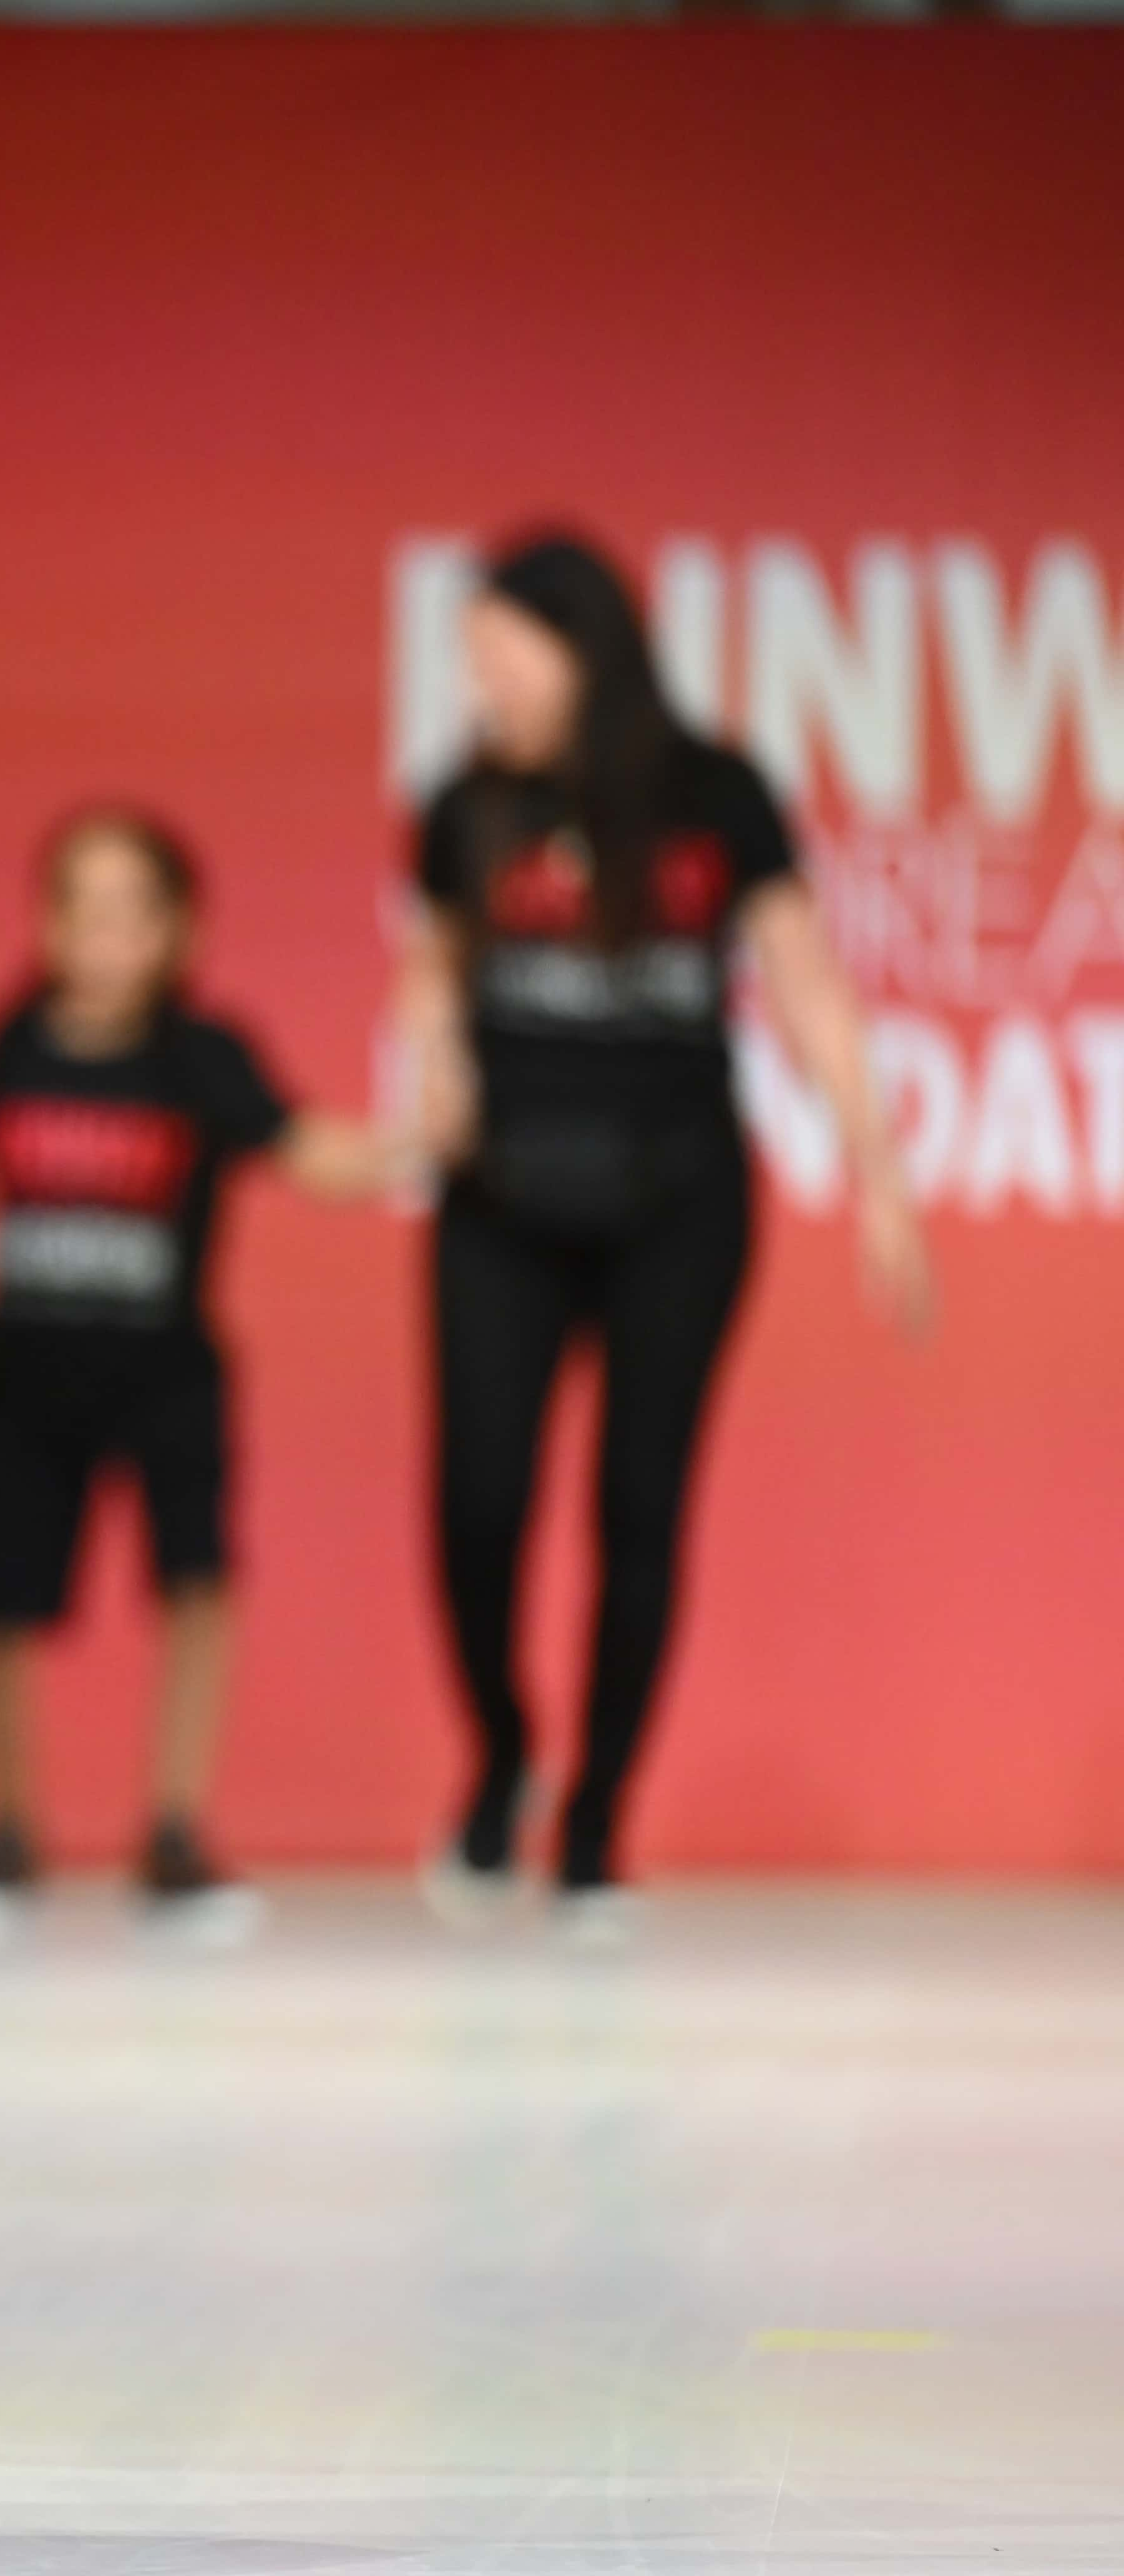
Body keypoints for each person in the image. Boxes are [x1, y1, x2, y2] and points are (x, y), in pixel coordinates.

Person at [391, 533, 929, 1939]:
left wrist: (877, 1174)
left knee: (640, 1506)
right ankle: (506, 1753)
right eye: (472, 654)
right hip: (503, 1197)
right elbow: (433, 973)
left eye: (504, 650)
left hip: (677, 1196)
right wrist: (436, 1069)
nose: (481, 679)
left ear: (585, 649)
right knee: (478, 1505)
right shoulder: (466, 804)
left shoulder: (716, 791)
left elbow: (805, 977)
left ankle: (596, 1825)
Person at [0, 809, 403, 1936]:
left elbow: (304, 1148)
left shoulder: (203, 1057)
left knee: (195, 1584)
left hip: (167, 1376)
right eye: (75, 906)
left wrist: (413, 1142)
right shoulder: (13, 1039)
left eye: (125, 911)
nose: (97, 934)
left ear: (175, 929)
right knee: (0, 1598)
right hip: (22, 1371)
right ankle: (5, 1830)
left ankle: (176, 1830)